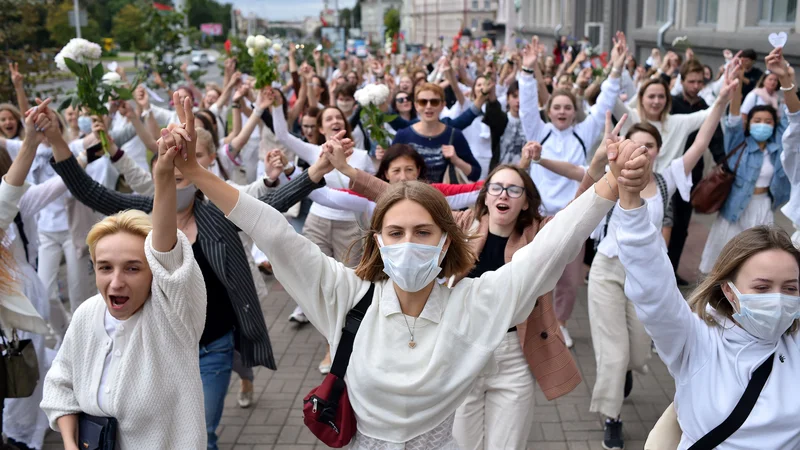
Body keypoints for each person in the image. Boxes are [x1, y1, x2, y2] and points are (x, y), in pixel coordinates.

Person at [167, 92, 652, 447]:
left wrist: (610, 183)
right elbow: (272, 230)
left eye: (423, 233)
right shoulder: (345, 294)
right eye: (395, 233)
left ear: (446, 242)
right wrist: (197, 175)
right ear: (378, 241)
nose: (407, 244)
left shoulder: (475, 302)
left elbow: (550, 248)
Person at [48, 93, 326, 449]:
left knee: (202, 434)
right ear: (158, 175)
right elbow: (92, 192)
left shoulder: (217, 215)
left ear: (199, 175)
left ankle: (244, 378)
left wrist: (315, 172)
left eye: (185, 175)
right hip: (158, 346)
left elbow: (269, 206)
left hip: (211, 344)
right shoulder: (143, 217)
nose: (176, 181)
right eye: (169, 175)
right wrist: (57, 140)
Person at [41, 111, 208, 449]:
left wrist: (164, 175)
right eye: (105, 268)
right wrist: (72, 444)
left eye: (133, 268)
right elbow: (60, 384)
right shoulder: (88, 314)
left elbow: (167, 255)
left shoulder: (172, 318)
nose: (115, 283)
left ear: (154, 274)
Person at [615, 150, 800, 449]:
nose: (778, 300)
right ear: (729, 291)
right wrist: (631, 201)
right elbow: (653, 287)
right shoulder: (696, 341)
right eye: (762, 287)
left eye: (790, 288)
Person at [519, 32, 625, 346]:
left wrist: (616, 69)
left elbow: (605, 101)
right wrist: (528, 72)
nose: (562, 111)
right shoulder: (539, 131)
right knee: (536, 275)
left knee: (569, 279)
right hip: (538, 217)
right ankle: (534, 322)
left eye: (568, 107)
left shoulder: (584, 132)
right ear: (549, 110)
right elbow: (527, 107)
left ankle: (561, 323)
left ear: (574, 110)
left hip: (575, 215)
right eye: (557, 107)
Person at [0, 98, 67, 450]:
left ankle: (22, 436)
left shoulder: (17, 199)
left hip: (21, 292)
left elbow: (8, 197)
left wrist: (45, 142)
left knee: (22, 365)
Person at [700, 48, 798, 274]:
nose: (762, 124)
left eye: (767, 121)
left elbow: (791, 121)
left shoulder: (777, 150)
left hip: (763, 208)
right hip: (735, 208)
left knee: (753, 263)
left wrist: (787, 80)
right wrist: (736, 82)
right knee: (722, 263)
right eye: (757, 120)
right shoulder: (738, 142)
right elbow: (734, 116)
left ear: (774, 126)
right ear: (749, 123)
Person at [668, 58, 726, 286]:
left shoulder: (704, 107)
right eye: (691, 81)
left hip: (691, 175)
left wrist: (723, 162)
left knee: (681, 226)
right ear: (681, 81)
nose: (695, 86)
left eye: (699, 82)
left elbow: (715, 137)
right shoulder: (670, 104)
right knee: (661, 223)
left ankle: (671, 270)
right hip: (665, 172)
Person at [391, 82, 481, 183]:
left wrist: (456, 160)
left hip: (444, 196)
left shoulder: (454, 135)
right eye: (423, 102)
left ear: (443, 105)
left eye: (434, 102)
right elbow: (388, 171)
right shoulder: (403, 135)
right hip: (411, 196)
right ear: (416, 106)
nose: (428, 106)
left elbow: (475, 174)